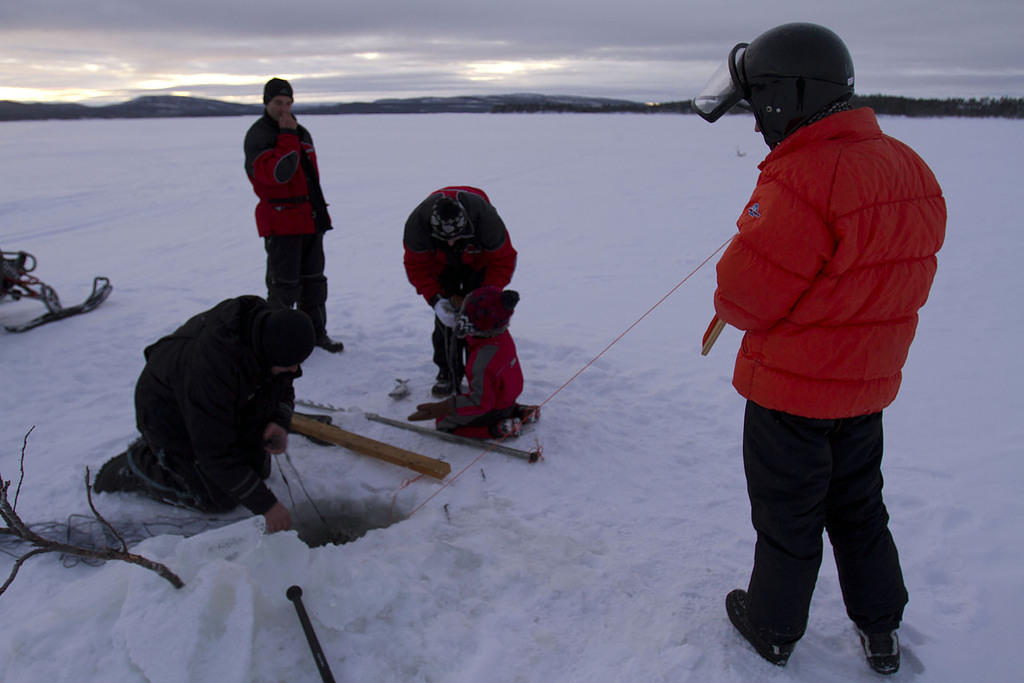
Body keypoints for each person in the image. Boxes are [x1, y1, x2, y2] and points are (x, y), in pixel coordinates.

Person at [692, 23, 946, 675]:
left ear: (788, 98)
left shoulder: (803, 176)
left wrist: (736, 270)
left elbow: (745, 301)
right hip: (865, 387)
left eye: (759, 108)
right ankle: (881, 627)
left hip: (791, 392)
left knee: (789, 515)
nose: (756, 127)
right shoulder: (909, 166)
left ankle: (774, 627)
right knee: (860, 506)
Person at [94, 296, 317, 533]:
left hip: (213, 406)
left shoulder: (268, 334)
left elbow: (282, 384)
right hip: (167, 415)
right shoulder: (211, 368)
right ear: (271, 354)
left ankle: (183, 457)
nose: (295, 370)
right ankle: (138, 463)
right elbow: (215, 453)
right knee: (218, 497)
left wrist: (278, 422)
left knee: (256, 471)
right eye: (290, 364)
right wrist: (267, 506)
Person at [244, 77, 344, 353]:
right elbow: (278, 174)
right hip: (281, 220)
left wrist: (320, 215)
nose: (284, 109)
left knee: (314, 283)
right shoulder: (260, 135)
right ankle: (278, 343)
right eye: (279, 103)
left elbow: (311, 177)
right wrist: (287, 137)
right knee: (283, 288)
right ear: (267, 103)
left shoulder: (300, 132)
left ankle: (315, 334)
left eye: (289, 103)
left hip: (310, 218)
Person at [403, 186, 517, 396]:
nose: (451, 242)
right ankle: (448, 372)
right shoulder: (417, 226)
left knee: (481, 318)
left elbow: (503, 261)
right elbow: (416, 268)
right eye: (445, 238)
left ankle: (481, 373)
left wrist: (482, 298)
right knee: (446, 321)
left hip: (480, 261)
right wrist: (437, 300)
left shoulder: (486, 220)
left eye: (456, 237)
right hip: (441, 266)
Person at [407, 286, 538, 437]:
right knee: (493, 391)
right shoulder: (501, 336)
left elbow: (479, 402)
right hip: (507, 398)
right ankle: (518, 411)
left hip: (492, 409)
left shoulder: (483, 361)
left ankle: (497, 429)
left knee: (443, 422)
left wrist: (444, 407)